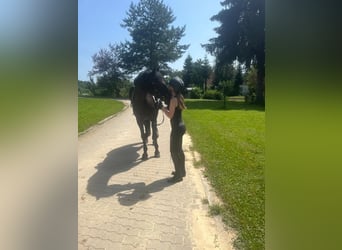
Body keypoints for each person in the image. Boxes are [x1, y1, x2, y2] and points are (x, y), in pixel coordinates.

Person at [160, 77, 187, 183]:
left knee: (174, 151)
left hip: (176, 128)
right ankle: (182, 171)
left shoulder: (173, 100)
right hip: (181, 126)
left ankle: (178, 176)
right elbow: (173, 110)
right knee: (179, 150)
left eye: (170, 85)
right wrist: (165, 107)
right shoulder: (180, 97)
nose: (168, 87)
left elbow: (170, 115)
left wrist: (162, 108)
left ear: (173, 87)